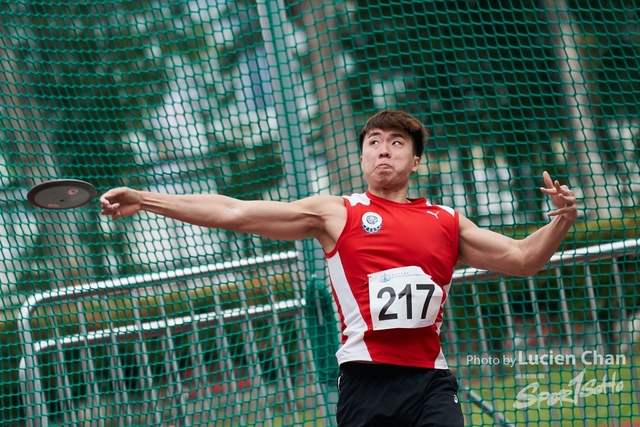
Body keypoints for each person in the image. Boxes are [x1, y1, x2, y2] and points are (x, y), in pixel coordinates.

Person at [100, 110, 577, 427]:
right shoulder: (336, 212)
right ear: (363, 155)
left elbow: (524, 259)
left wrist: (562, 220)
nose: (384, 149)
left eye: (396, 142)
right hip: (366, 383)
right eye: (374, 141)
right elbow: (234, 212)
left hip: (431, 380)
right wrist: (146, 199)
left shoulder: (447, 221)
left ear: (416, 160)